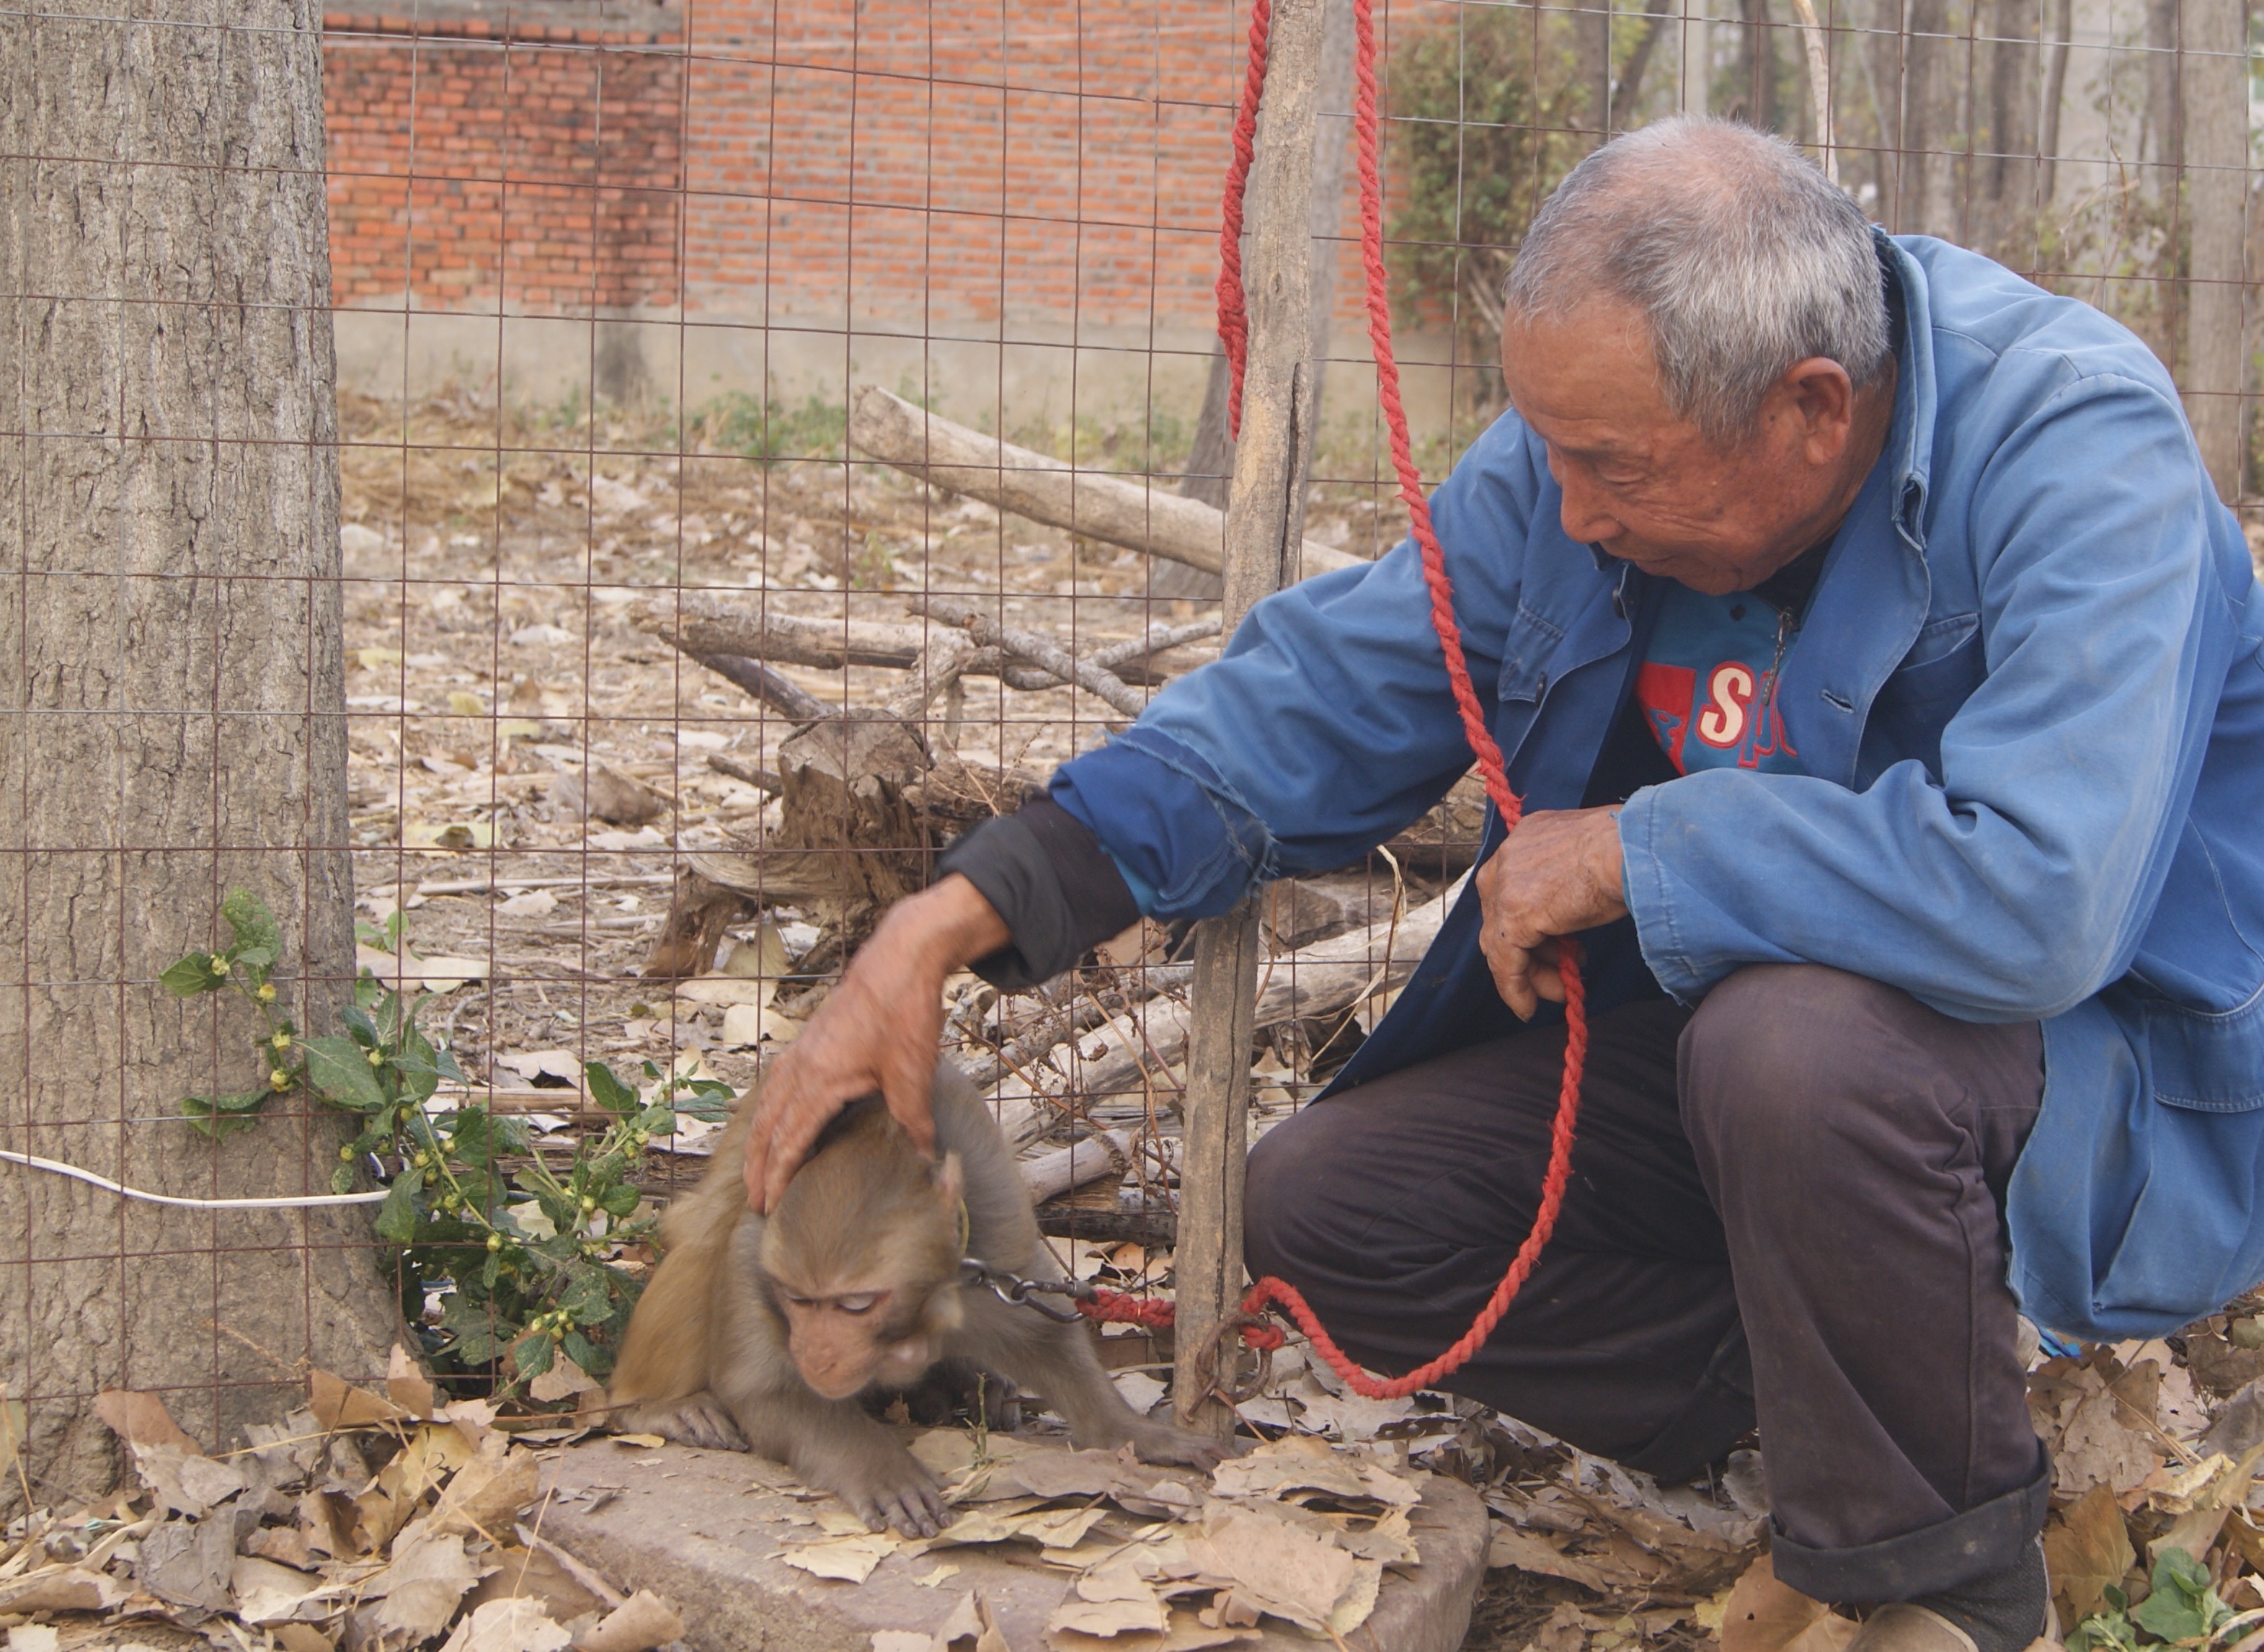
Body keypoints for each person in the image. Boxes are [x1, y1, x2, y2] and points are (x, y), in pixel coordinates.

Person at [739, 117, 2264, 1652]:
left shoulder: (2075, 449)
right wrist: (946, 921)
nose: (1572, 508)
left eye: (1611, 467)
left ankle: (1940, 1591)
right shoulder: (1580, 464)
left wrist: (1632, 849)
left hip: (2083, 1079)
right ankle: (1844, 1410)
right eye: (1548, 451)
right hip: (1746, 1071)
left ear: (1809, 410)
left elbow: (2037, 893)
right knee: (1332, 1212)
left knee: (1792, 1048)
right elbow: (1324, 692)